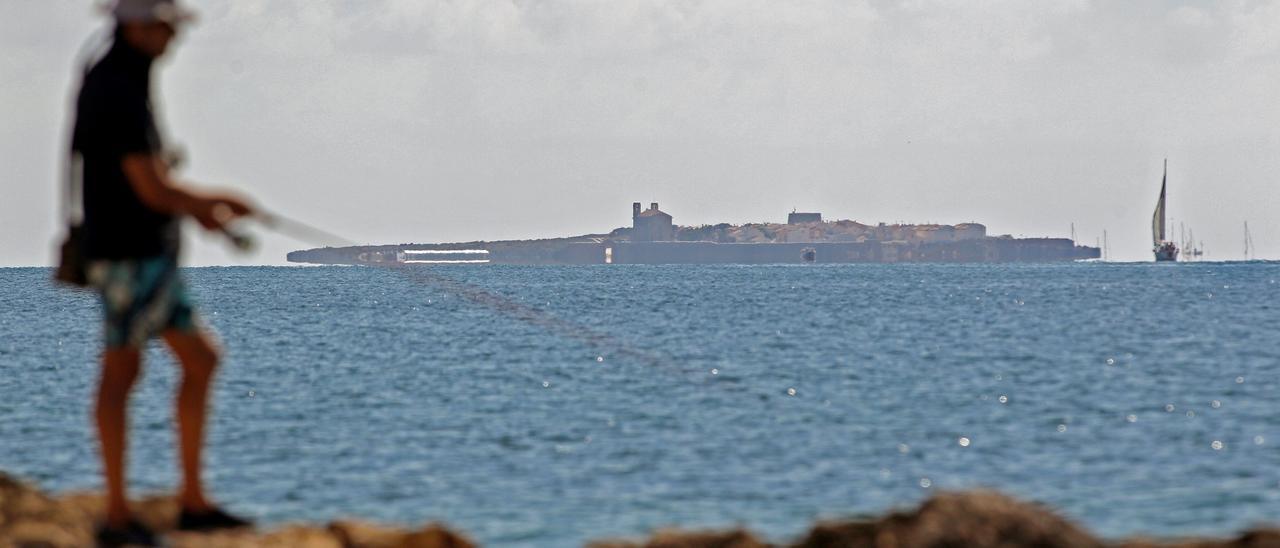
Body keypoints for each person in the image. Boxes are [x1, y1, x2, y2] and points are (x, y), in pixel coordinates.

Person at [70, 0, 254, 544]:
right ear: (140, 27)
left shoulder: (123, 81)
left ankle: (193, 502)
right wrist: (216, 199)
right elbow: (151, 189)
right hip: (129, 256)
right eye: (168, 24)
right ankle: (119, 517)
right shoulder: (117, 89)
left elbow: (147, 184)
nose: (175, 34)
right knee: (121, 375)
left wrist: (201, 211)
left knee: (200, 360)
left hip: (147, 255)